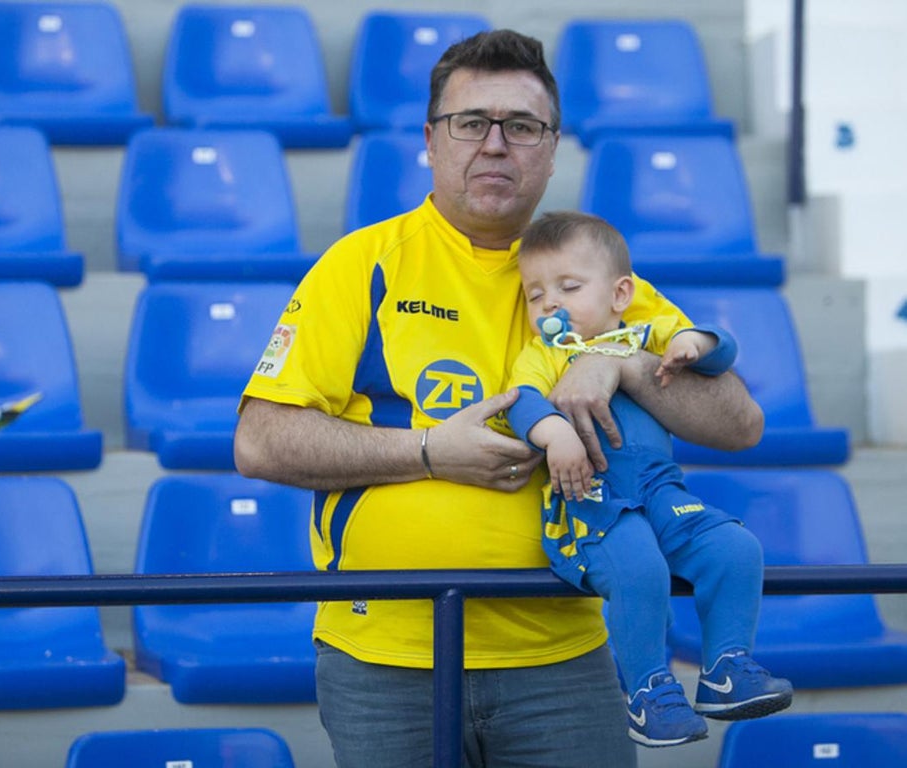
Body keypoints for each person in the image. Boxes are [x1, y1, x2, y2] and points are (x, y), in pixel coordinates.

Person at [234, 29, 763, 768]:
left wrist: (622, 366)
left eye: (521, 126)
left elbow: (739, 422)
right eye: (470, 122)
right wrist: (427, 452)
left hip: (564, 657)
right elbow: (259, 441)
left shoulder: (589, 271)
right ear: (430, 140)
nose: (494, 144)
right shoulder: (362, 264)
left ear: (551, 148)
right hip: (387, 657)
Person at [504, 211, 793, 748]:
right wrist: (555, 436)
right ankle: (647, 692)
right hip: (593, 500)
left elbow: (719, 349)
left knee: (735, 548)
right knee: (639, 569)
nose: (549, 304)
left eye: (569, 287)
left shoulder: (641, 334)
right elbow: (521, 400)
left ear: (620, 294)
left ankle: (726, 670)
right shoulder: (545, 352)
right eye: (534, 293)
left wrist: (695, 343)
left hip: (661, 490)